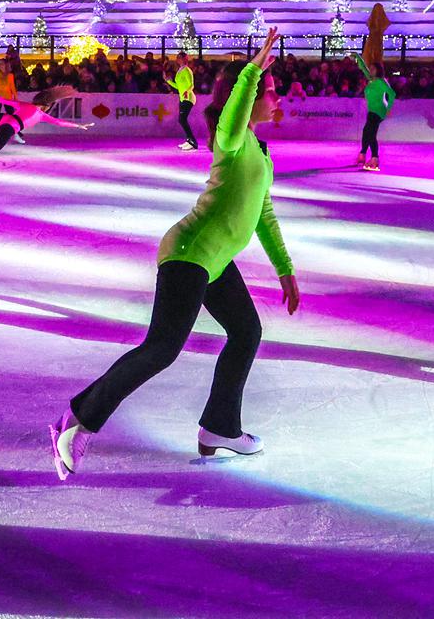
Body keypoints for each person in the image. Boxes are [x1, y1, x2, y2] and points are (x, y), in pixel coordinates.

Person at [52, 29, 301, 479]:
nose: (278, 97)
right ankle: (80, 423)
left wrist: (285, 270)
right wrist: (250, 71)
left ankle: (220, 427)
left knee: (245, 332)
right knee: (162, 348)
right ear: (248, 97)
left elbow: (263, 213)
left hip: (216, 260)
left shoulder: (260, 150)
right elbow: (232, 117)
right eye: (272, 90)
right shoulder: (232, 137)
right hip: (189, 251)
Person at [0, 85, 91, 189]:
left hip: (4, 120)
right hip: (9, 127)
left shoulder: (26, 105)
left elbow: (2, 100)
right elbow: (59, 122)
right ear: (47, 106)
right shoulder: (41, 115)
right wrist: (78, 126)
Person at [352, 52, 395, 171]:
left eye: (372, 69)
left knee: (370, 133)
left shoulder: (381, 82)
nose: (370, 70)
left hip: (378, 111)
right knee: (367, 131)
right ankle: (363, 154)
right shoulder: (371, 80)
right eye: (370, 69)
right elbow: (363, 68)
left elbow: (392, 94)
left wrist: (388, 109)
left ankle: (375, 159)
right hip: (372, 111)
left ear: (378, 70)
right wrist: (357, 56)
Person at [167, 52, 198, 151]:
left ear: (185, 58)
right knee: (182, 120)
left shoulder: (187, 70)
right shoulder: (180, 70)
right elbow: (178, 86)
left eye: (181, 57)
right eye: (178, 57)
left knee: (182, 119)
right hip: (182, 98)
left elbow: (191, 85)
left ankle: (192, 141)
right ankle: (189, 140)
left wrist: (186, 91)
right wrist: (168, 81)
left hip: (188, 98)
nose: (178, 59)